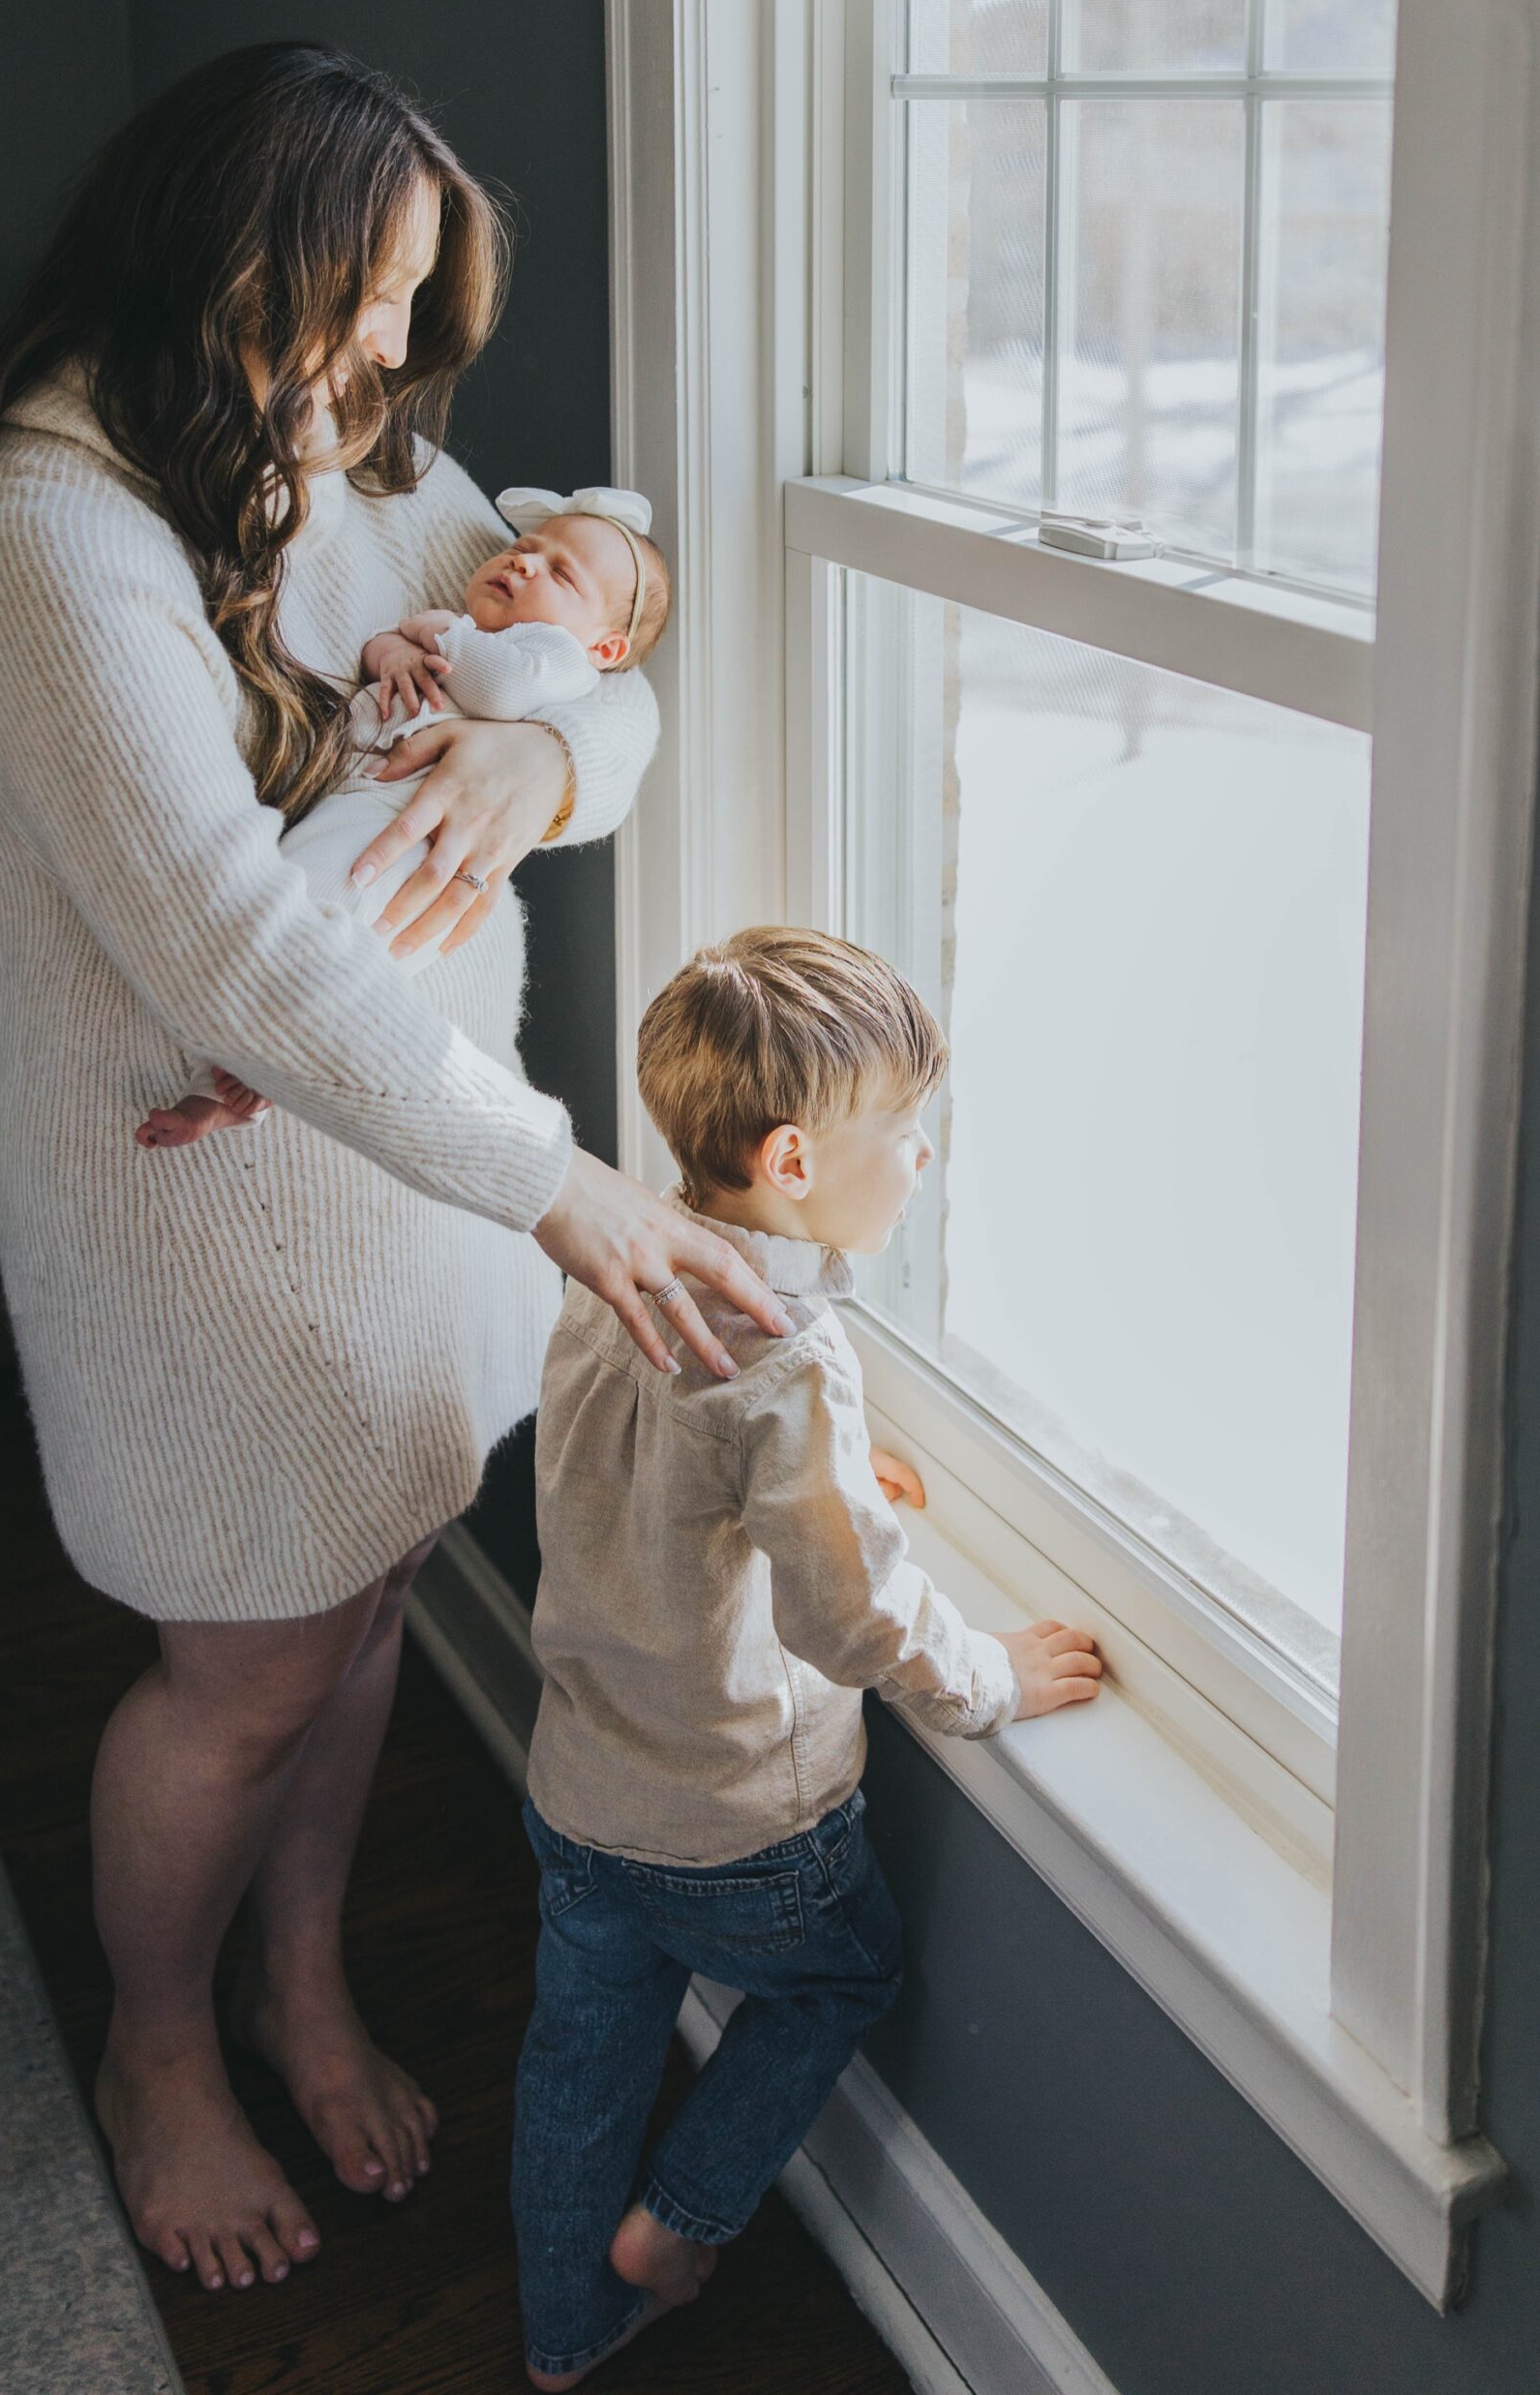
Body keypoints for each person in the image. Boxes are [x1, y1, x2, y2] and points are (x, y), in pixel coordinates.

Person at [0, 43, 792, 2299]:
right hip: (208, 1244)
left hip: (407, 1212)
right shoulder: (45, 546)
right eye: (358, 300)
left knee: (370, 1596)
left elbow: (602, 637)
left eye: (406, 311)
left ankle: (301, 1975)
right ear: (222, 261)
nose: (389, 359)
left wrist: (534, 745)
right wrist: (570, 1188)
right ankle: (162, 2038)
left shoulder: (347, 459)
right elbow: (238, 944)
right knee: (238, 1672)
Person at [513, 926, 1104, 2388]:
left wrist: (839, 1471)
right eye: (901, 1134)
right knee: (837, 1983)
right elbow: (843, 1618)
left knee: (578, 2062)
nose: (919, 1159)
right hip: (737, 1822)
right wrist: (987, 1682)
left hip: (583, 1783)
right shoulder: (786, 1355)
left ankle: (559, 2333)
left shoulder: (624, 1257)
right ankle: (679, 2224)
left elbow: (666, 1471)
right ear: (789, 1163)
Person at [136, 484, 670, 1148]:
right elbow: (382, 655)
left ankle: (250, 1078)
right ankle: (228, 1085)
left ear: (607, 650)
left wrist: (436, 630)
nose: (526, 562)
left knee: (314, 929)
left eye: (560, 573)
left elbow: (498, 687)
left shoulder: (553, 658)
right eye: (524, 547)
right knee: (311, 938)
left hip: (402, 827)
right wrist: (394, 651)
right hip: (356, 802)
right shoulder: (481, 634)